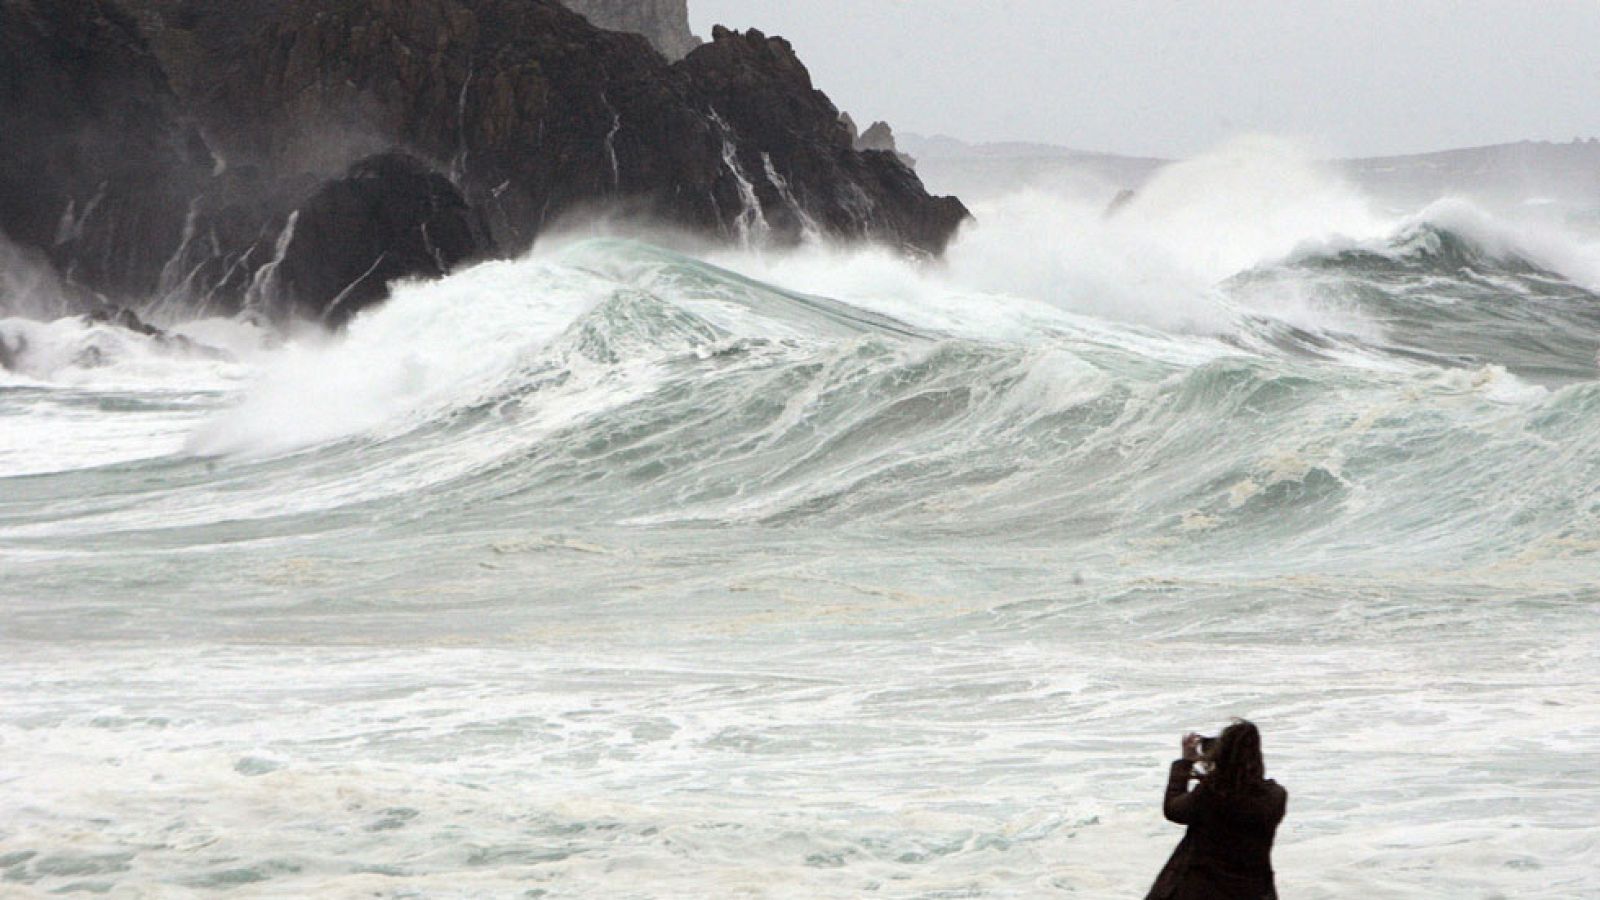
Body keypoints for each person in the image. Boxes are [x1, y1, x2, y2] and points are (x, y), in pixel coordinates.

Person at [1146, 719, 1287, 899]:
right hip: (1253, 890)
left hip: (1201, 890)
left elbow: (1174, 810)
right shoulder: (1275, 797)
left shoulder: (1211, 794)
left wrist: (1185, 763)